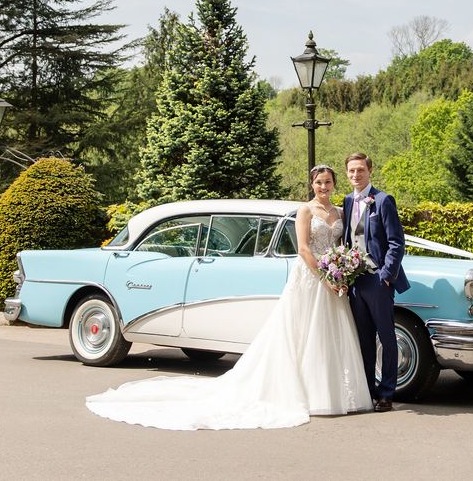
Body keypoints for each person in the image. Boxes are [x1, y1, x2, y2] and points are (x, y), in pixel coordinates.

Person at [85, 165, 372, 430]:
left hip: (333, 280)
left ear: (334, 184)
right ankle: (308, 394)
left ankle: (332, 394)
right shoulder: (304, 211)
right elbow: (303, 249)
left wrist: (341, 274)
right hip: (312, 278)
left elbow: (343, 243)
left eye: (328, 182)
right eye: (319, 182)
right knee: (301, 336)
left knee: (328, 336)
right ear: (311, 184)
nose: (324, 186)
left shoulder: (340, 211)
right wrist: (326, 277)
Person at [342, 152, 408, 413]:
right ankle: (367, 390)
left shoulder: (383, 200)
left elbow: (396, 242)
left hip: (378, 280)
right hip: (356, 281)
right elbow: (348, 241)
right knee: (364, 339)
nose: (355, 175)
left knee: (387, 337)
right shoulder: (347, 202)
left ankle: (387, 392)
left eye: (360, 170)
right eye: (351, 171)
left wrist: (386, 275)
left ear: (369, 171)